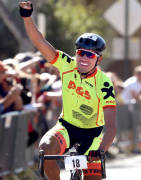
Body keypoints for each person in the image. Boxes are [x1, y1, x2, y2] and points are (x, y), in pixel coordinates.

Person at [19, 1, 116, 180]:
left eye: (90, 55)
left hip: (92, 134)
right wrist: (27, 17)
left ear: (98, 60)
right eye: (81, 53)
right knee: (45, 148)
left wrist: (100, 151)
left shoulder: (104, 83)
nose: (84, 58)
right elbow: (40, 41)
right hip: (66, 127)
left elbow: (111, 127)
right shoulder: (67, 64)